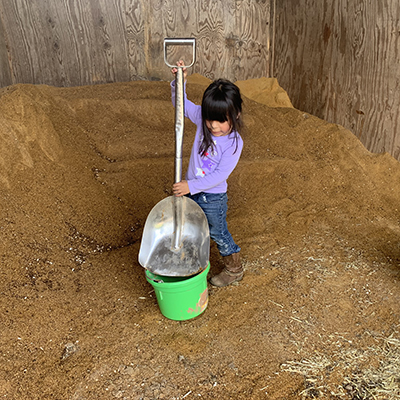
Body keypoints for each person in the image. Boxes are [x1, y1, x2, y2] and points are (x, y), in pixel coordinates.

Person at [171, 61, 244, 287]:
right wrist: (179, 83)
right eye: (209, 118)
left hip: (213, 198)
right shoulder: (204, 118)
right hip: (192, 192)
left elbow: (220, 175)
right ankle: (192, 263)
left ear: (236, 115)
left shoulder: (233, 143)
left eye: (221, 120)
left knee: (217, 232)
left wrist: (190, 186)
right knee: (191, 227)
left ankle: (234, 269)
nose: (213, 125)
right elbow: (181, 108)